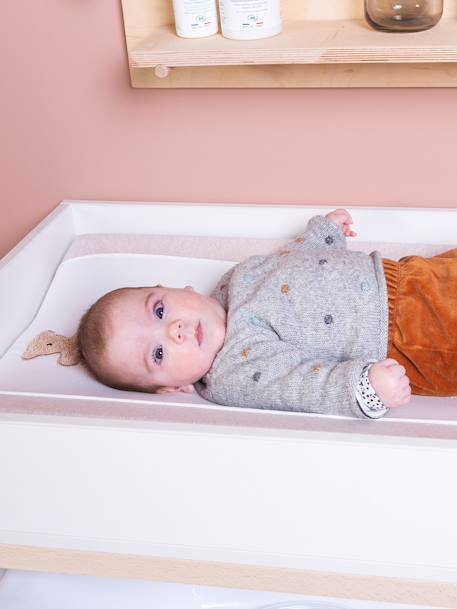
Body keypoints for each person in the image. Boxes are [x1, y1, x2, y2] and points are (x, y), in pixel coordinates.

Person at [77, 209, 457, 419]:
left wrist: (324, 236)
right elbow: (303, 386)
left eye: (160, 310)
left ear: (180, 290)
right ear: (175, 388)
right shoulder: (232, 371)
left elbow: (287, 267)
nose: (174, 330)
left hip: (404, 275)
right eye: (158, 353)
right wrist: (367, 389)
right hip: (409, 337)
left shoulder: (230, 284)